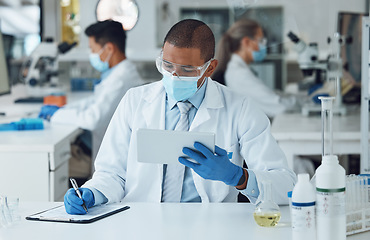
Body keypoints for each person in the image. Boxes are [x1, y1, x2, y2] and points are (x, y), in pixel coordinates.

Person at [64, 19, 296, 215]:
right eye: (167, 65)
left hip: (210, 225)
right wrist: (93, 193)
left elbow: (286, 184)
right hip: (141, 221)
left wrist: (239, 177)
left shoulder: (240, 108)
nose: (174, 76)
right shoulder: (135, 101)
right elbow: (111, 173)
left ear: (209, 68)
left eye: (186, 70)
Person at [39, 20, 146, 161]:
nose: (92, 54)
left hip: (113, 156)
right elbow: (95, 101)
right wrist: (63, 108)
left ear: (109, 49)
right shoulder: (119, 73)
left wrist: (56, 115)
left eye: (93, 49)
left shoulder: (121, 79)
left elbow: (92, 119)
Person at [212, 19, 297, 118]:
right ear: (246, 42)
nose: (263, 46)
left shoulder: (238, 69)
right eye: (261, 41)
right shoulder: (239, 74)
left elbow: (268, 95)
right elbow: (279, 106)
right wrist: (305, 102)